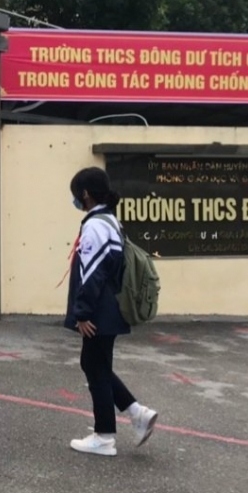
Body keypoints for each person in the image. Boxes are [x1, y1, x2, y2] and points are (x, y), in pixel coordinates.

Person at [65, 166, 159, 456]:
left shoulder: (95, 225)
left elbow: (92, 273)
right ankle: (137, 413)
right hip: (110, 307)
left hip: (99, 310)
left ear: (85, 194)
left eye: (76, 195)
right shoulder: (110, 221)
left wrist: (82, 313)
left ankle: (104, 436)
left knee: (94, 366)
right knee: (96, 365)